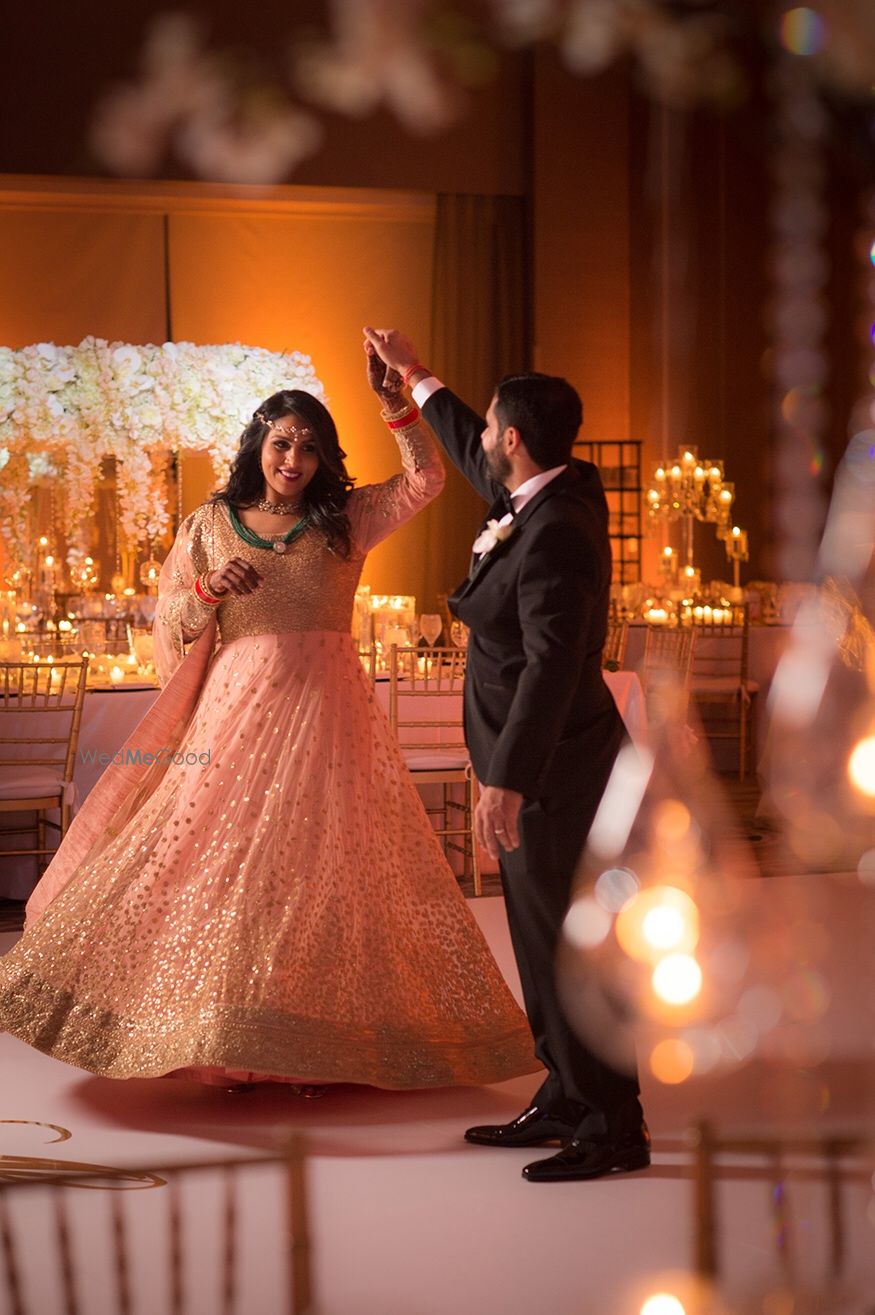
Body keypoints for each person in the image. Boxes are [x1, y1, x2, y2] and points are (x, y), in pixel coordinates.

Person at [0, 346, 539, 1093]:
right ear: (257, 444)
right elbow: (173, 627)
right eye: (283, 441)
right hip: (232, 721)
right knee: (214, 864)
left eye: (311, 446)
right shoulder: (210, 523)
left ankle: (316, 1035)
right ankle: (212, 1025)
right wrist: (206, 586)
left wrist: (397, 405)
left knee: (322, 872)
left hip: (329, 722)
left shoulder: (345, 520)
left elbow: (426, 480)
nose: (295, 458)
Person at [362, 327, 650, 1181]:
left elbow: (555, 667)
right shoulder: (541, 490)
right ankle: (563, 1092)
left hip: (554, 772)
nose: (481, 439)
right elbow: (462, 436)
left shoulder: (555, 526)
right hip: (537, 768)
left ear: (515, 439)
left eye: (492, 429)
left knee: (568, 944)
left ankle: (611, 1124)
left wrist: (507, 781)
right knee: (534, 935)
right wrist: (414, 376)